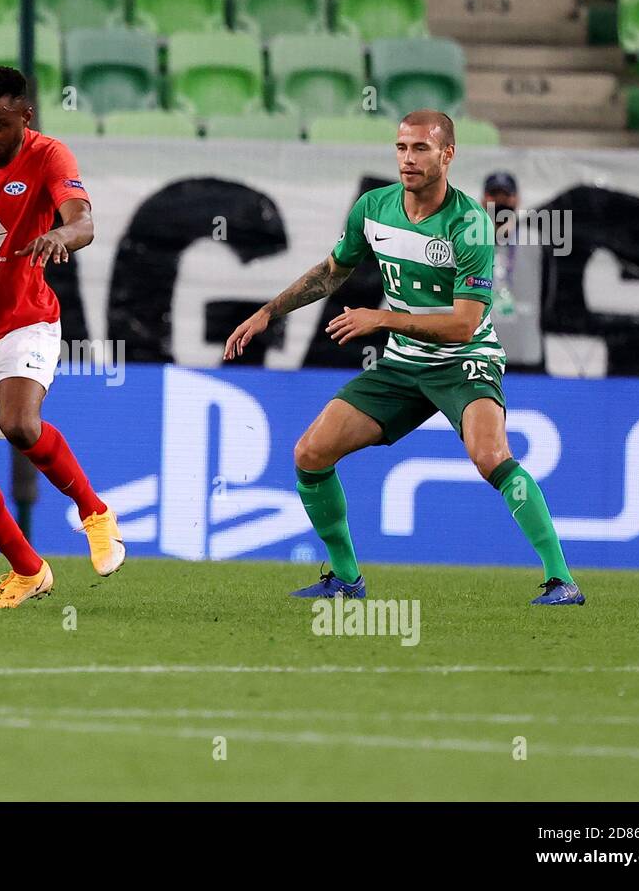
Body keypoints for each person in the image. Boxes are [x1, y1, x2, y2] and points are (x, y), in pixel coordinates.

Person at [224, 111, 584, 606]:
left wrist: (383, 319)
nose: (407, 159)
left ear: (448, 155)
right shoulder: (373, 208)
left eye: (420, 149)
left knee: (491, 457)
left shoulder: (470, 225)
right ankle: (347, 580)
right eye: (401, 148)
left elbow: (462, 324)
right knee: (310, 454)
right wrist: (270, 311)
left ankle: (561, 579)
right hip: (402, 365)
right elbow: (331, 272)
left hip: (464, 360)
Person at [0, 67, 124, 609]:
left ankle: (93, 512)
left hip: (26, 318)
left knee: (18, 422)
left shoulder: (49, 155)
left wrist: (61, 233)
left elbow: (83, 221)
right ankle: (27, 571)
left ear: (25, 117)